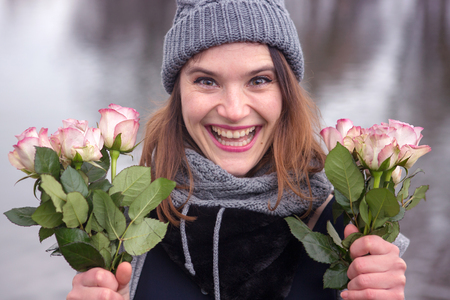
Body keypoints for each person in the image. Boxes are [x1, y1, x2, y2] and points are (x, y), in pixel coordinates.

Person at [67, 0, 408, 299]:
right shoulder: (122, 231)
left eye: (259, 80)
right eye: (206, 81)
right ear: (179, 96)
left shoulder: (348, 234)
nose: (233, 110)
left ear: (286, 93)